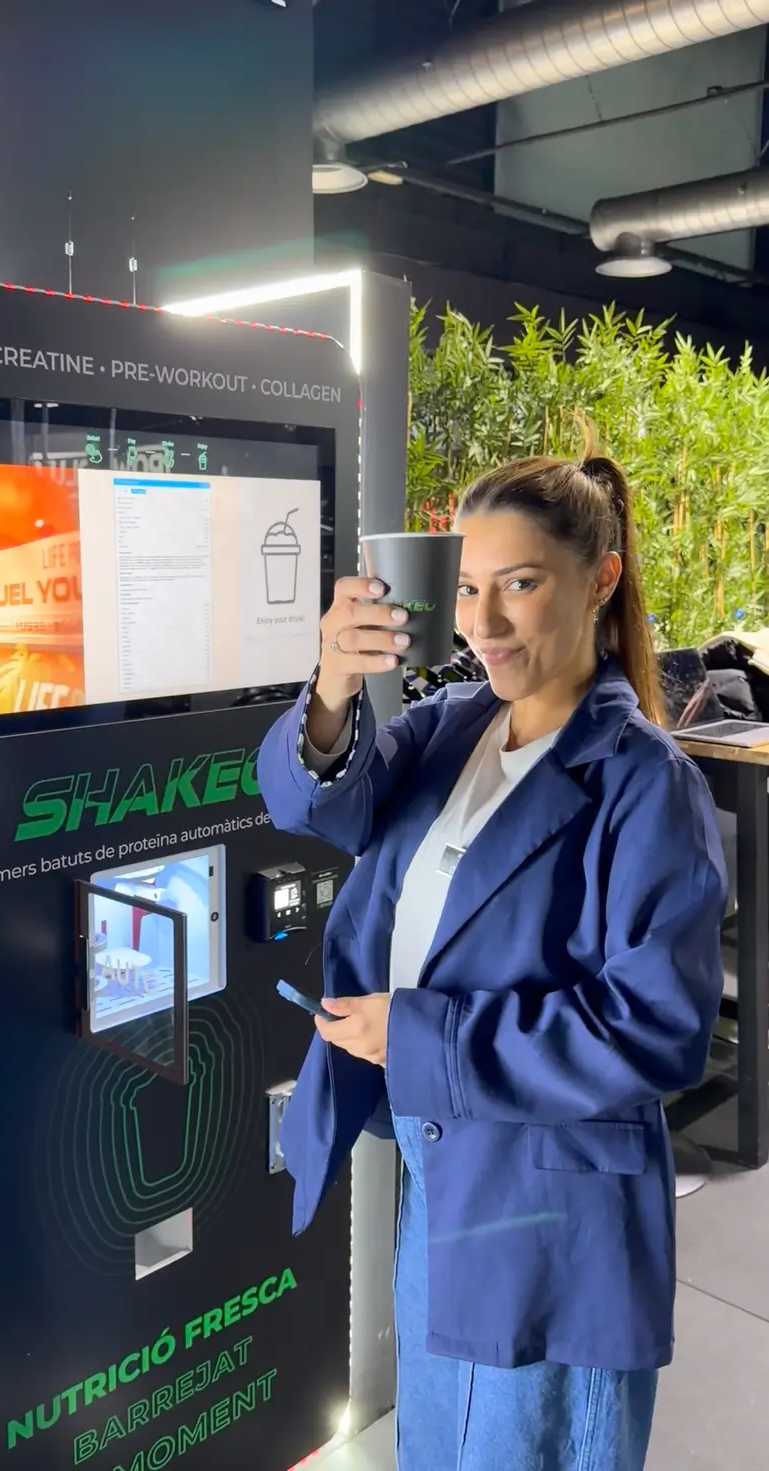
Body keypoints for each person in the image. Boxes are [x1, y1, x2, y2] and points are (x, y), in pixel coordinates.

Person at [257, 445, 727, 1471]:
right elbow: (314, 800)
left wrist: (420, 1034)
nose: (485, 620)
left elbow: (655, 1029)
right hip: (444, 1166)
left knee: (531, 1449)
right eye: (468, 587)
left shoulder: (645, 785)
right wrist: (335, 684)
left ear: (600, 580)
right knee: (439, 1442)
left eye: (521, 583)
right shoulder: (451, 725)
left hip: (552, 1196)